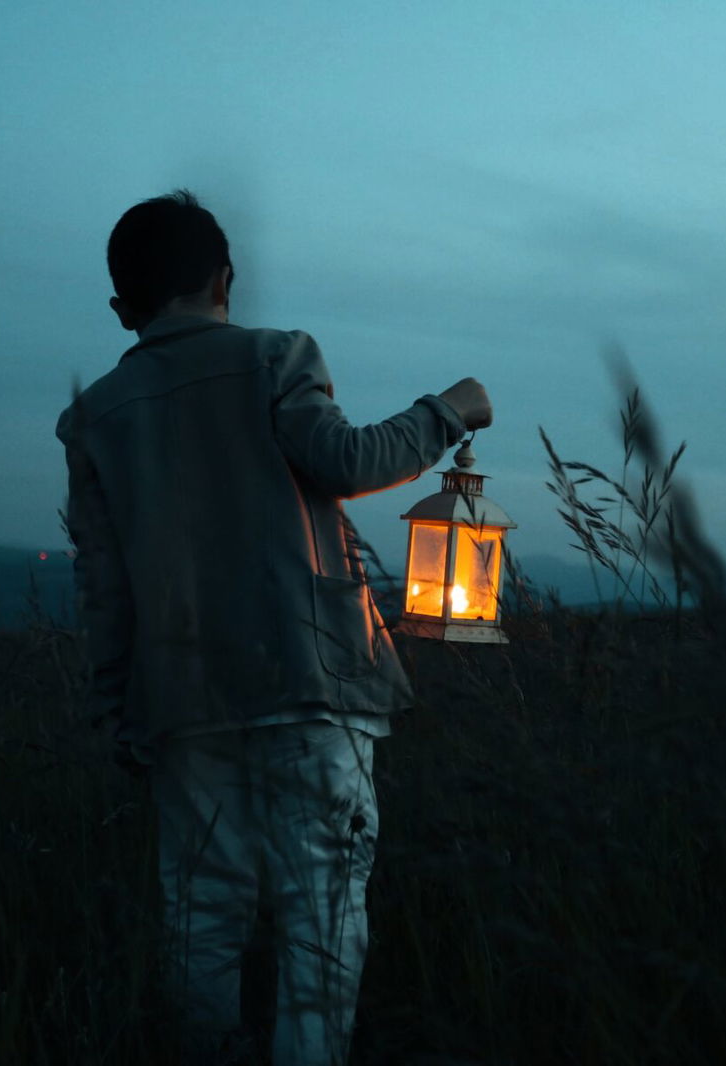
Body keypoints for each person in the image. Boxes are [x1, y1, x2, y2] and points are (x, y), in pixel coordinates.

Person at [55, 189, 492, 1066]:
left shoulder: (95, 416)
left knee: (201, 917)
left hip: (179, 704)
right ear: (226, 279)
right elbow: (345, 461)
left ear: (121, 308)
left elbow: (104, 587)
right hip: (308, 684)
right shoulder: (276, 358)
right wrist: (449, 413)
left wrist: (119, 710)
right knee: (321, 916)